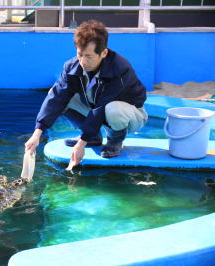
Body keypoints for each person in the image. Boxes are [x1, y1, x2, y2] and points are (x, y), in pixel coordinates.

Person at [24, 20, 148, 171]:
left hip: (131, 114)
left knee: (113, 109)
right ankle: (93, 137)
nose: (83, 61)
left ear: (103, 53)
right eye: (79, 54)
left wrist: (81, 143)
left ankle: (115, 140)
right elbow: (56, 98)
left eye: (89, 56)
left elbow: (101, 107)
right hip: (98, 107)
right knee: (56, 94)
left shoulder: (120, 69)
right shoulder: (71, 67)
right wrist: (37, 133)